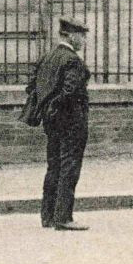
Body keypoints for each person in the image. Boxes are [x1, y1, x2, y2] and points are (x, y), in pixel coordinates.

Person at [27, 17, 92, 231]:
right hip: (71, 122)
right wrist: (60, 108)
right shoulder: (72, 60)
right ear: (70, 36)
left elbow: (32, 87)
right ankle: (63, 216)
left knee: (53, 166)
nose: (83, 40)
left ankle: (48, 216)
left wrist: (49, 111)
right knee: (69, 168)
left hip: (52, 123)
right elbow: (70, 92)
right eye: (81, 35)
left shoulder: (48, 57)